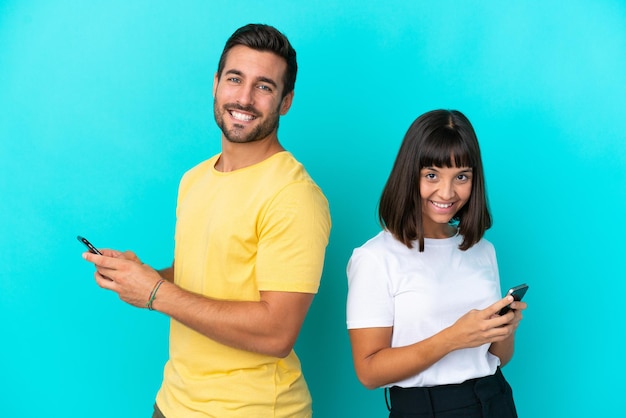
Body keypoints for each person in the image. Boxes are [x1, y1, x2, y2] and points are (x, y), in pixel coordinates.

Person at [83, 24, 331, 418]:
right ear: (216, 84)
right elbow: (200, 275)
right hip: (173, 403)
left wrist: (153, 293)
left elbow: (276, 332)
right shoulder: (194, 179)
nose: (244, 98)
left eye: (264, 86)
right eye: (235, 79)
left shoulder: (294, 195)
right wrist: (141, 275)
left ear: (285, 102)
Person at [346, 109, 526, 417]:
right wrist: (453, 338)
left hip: (495, 399)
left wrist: (505, 329)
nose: (447, 192)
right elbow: (369, 371)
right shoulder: (375, 258)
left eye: (461, 177)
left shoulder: (483, 250)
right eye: (432, 175)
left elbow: (498, 357)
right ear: (409, 175)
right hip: (427, 408)